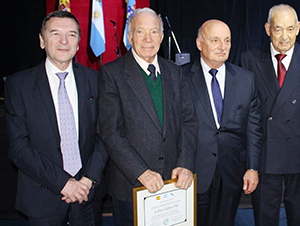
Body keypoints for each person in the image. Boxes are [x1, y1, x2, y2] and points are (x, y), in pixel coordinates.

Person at [5, 11, 107, 226]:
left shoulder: (97, 81)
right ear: (42, 41)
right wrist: (64, 183)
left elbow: (105, 137)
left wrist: (87, 180)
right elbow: (18, 148)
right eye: (55, 34)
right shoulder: (19, 86)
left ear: (78, 43)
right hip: (42, 198)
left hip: (87, 195)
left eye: (71, 35)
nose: (63, 41)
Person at [98, 7, 198, 225]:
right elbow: (110, 132)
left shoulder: (175, 72)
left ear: (162, 37)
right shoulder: (112, 74)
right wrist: (140, 171)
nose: (148, 39)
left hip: (173, 183)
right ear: (130, 36)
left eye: (154, 32)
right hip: (131, 186)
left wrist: (185, 163)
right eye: (141, 31)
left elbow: (188, 122)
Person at [182, 19, 262, 226]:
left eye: (227, 40)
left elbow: (254, 128)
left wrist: (252, 168)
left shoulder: (246, 80)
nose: (222, 46)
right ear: (199, 44)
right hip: (192, 173)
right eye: (215, 40)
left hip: (231, 173)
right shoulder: (180, 78)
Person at [240, 4, 300, 226]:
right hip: (265, 157)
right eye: (278, 29)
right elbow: (248, 118)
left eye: (290, 29)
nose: (284, 36)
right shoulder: (249, 60)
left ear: (298, 29)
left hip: (298, 153)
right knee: (264, 219)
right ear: (267, 29)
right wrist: (251, 164)